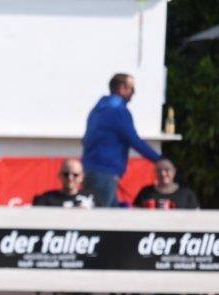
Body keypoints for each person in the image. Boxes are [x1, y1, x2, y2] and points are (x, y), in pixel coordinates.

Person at [81, 73, 166, 208]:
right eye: (132, 88)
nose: (134, 93)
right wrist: (159, 159)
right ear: (122, 88)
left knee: (113, 212)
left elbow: (85, 139)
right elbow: (133, 140)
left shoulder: (97, 109)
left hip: (91, 170)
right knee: (101, 216)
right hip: (106, 173)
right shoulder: (118, 110)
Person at [132, 159, 200, 210]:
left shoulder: (186, 194)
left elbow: (197, 217)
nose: (163, 174)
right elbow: (134, 215)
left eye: (167, 169)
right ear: (155, 172)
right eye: (159, 170)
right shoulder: (145, 192)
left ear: (174, 171)